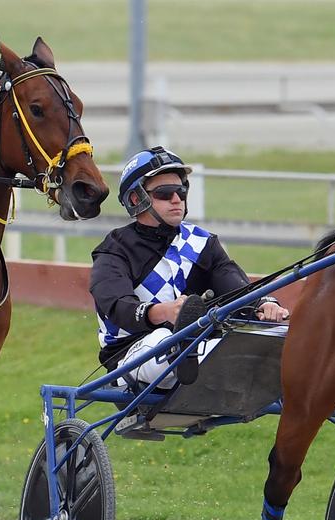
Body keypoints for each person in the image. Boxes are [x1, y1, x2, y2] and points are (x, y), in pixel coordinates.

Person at [90, 146, 289, 387]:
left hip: (197, 344)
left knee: (274, 334)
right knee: (164, 337)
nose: (177, 199)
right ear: (135, 198)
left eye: (181, 191)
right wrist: (165, 312)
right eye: (165, 193)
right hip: (130, 357)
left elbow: (235, 287)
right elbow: (119, 308)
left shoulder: (202, 242)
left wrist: (264, 304)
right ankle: (189, 355)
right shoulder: (113, 251)